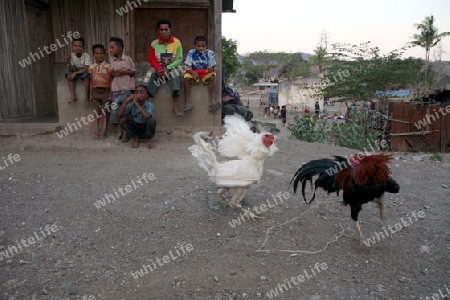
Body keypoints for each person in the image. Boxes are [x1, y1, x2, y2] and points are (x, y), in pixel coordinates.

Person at [147, 19, 184, 116]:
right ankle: (146, 103)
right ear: (159, 31)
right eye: (161, 30)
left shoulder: (177, 42)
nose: (164, 32)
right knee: (151, 77)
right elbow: (152, 59)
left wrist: (169, 68)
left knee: (175, 76)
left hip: (172, 67)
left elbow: (179, 59)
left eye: (166, 29)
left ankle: (175, 105)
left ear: (170, 30)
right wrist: (158, 68)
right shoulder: (154, 43)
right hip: (159, 67)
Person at [183, 36, 220, 113]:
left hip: (204, 71)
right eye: (198, 46)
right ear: (195, 46)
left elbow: (212, 66)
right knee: (186, 77)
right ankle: (187, 102)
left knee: (213, 75)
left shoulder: (209, 53)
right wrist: (192, 72)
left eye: (203, 46)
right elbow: (187, 66)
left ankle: (212, 100)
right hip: (194, 72)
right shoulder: (191, 52)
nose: (201, 48)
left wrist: (211, 68)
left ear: (206, 46)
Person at [109, 37, 136, 140]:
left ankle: (126, 131)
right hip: (115, 91)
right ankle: (119, 130)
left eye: (112, 47)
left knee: (126, 112)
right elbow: (110, 77)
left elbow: (133, 72)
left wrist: (123, 71)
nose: (110, 50)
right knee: (115, 111)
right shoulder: (111, 61)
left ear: (120, 48)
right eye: (110, 48)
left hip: (126, 90)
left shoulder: (128, 59)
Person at [89, 44, 112, 140]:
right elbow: (91, 81)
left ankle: (103, 132)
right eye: (96, 53)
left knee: (105, 112)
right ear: (93, 54)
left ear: (104, 54)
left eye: (101, 53)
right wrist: (90, 94)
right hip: (95, 91)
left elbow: (111, 80)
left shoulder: (108, 66)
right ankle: (95, 132)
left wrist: (111, 93)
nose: (99, 55)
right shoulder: (91, 67)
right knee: (96, 112)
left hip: (106, 91)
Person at [66, 37, 91, 103]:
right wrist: (68, 60)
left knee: (86, 76)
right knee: (69, 76)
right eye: (75, 46)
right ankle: (73, 95)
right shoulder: (71, 55)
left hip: (84, 71)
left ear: (83, 48)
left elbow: (86, 68)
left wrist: (75, 73)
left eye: (79, 46)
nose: (77, 48)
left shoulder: (86, 55)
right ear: (72, 47)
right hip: (76, 71)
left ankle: (86, 96)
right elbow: (70, 69)